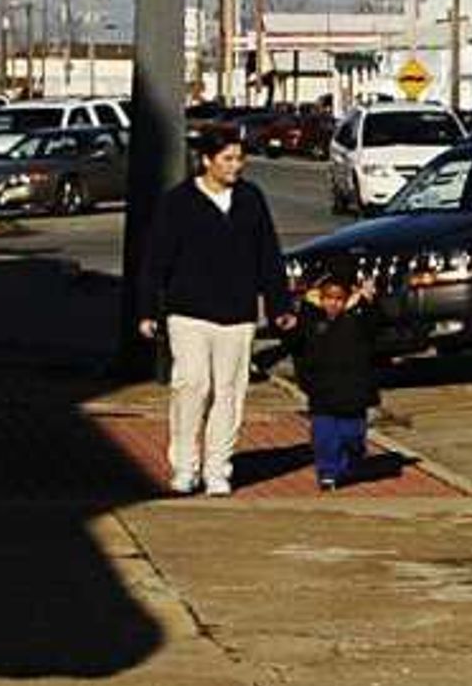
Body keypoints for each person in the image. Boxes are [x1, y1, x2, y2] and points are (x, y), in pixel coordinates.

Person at [138, 125, 291, 496]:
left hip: (237, 314)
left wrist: (278, 304)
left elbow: (268, 255)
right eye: (227, 159)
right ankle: (185, 466)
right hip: (188, 312)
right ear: (206, 161)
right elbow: (157, 259)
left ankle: (218, 469)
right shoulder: (178, 202)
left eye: (240, 159)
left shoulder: (251, 199)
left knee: (229, 392)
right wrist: (148, 311)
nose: (235, 166)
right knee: (192, 384)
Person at [284, 260, 382, 492]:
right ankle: (328, 472)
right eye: (328, 298)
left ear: (348, 299)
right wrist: (289, 323)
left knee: (352, 436)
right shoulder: (310, 318)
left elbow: (375, 327)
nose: (333, 304)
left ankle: (352, 459)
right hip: (322, 391)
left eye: (339, 299)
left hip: (354, 391)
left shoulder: (358, 318)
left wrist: (367, 302)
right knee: (324, 437)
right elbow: (294, 342)